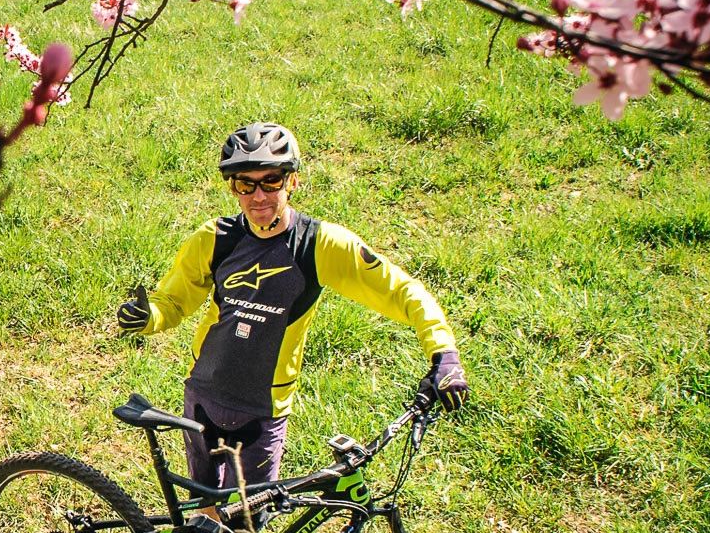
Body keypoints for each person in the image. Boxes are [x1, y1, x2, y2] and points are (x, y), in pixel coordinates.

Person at [116, 121, 468, 494]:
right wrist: (149, 317)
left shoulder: (319, 244)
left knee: (249, 516)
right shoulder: (215, 238)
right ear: (232, 187)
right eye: (244, 184)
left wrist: (443, 351)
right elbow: (174, 300)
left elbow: (402, 291)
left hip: (263, 408)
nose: (258, 196)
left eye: (271, 181)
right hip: (205, 393)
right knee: (201, 500)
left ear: (293, 182)